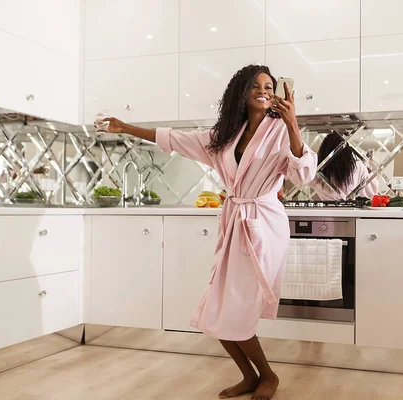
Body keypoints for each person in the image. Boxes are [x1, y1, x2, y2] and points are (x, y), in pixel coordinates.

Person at [96, 65, 317, 400]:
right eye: (256, 85)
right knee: (217, 308)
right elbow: (174, 139)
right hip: (234, 226)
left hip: (264, 227)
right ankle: (249, 375)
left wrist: (292, 123)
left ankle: (268, 376)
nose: (264, 91)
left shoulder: (281, 131)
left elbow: (303, 176)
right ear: (241, 93)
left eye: (269, 86)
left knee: (236, 307)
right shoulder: (225, 135)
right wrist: (124, 127)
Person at [310, 133, 379, 200]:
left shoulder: (317, 171)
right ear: (347, 151)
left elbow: (304, 177)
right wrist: (368, 168)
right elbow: (372, 191)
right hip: (350, 210)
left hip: (325, 210)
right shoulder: (358, 167)